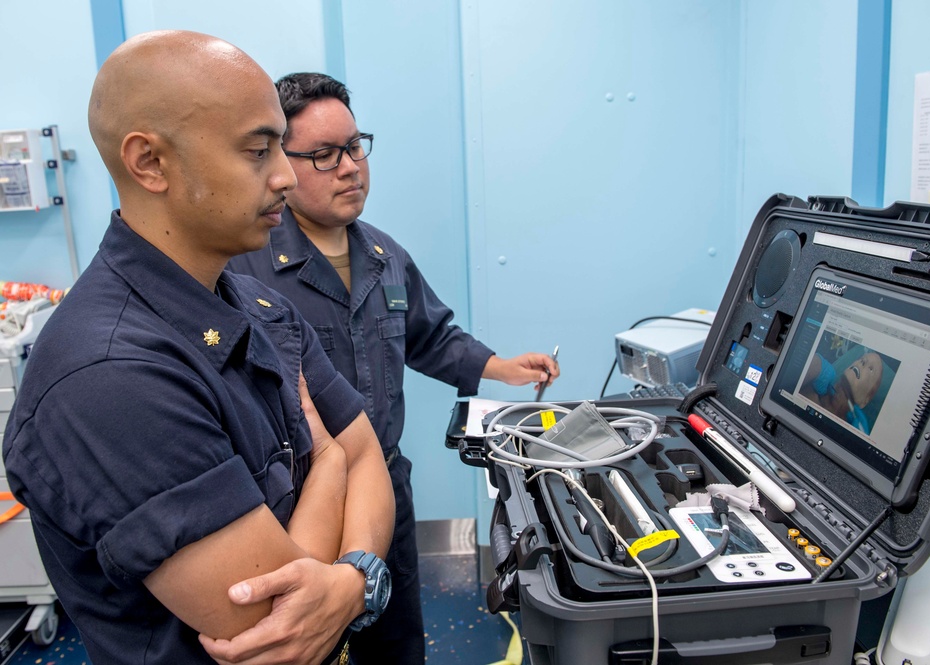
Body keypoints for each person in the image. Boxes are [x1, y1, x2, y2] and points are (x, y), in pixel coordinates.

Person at [1, 31, 394, 665]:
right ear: (150, 163)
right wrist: (328, 466)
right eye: (258, 150)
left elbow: (366, 451)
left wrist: (353, 580)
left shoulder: (253, 304)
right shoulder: (109, 376)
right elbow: (272, 625)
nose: (286, 177)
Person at [227, 72, 561, 664]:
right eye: (324, 156)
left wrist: (500, 367)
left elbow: (429, 335)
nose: (351, 167)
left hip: (385, 487)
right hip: (297, 507)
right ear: (279, 160)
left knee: (397, 643)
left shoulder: (383, 256)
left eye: (355, 147)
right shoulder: (245, 274)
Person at [800, 349, 884, 434]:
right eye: (861, 359)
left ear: (865, 400)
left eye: (870, 368)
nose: (862, 361)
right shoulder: (824, 373)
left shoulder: (856, 431)